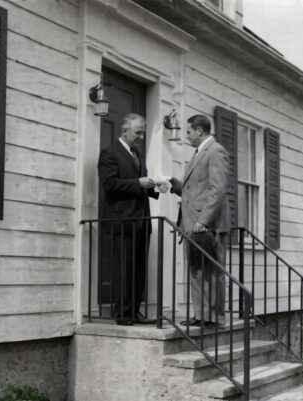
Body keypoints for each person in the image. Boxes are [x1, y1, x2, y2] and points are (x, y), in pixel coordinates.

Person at [169, 114, 230, 329]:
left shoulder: (215, 151)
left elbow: (217, 189)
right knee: (196, 269)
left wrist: (203, 220)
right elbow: (197, 189)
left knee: (212, 272)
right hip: (192, 223)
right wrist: (174, 186)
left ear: (199, 131)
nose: (187, 136)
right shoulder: (198, 153)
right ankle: (202, 315)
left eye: (189, 132)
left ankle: (215, 318)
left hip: (207, 225)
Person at [98, 113, 159, 325]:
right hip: (121, 222)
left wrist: (155, 187)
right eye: (137, 132)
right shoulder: (110, 153)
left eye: (143, 132)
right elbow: (110, 184)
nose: (141, 136)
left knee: (138, 270)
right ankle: (122, 314)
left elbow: (139, 184)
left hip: (142, 221)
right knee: (124, 270)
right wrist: (138, 183)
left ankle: (134, 311)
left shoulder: (138, 155)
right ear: (124, 131)